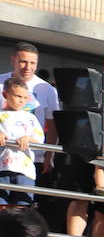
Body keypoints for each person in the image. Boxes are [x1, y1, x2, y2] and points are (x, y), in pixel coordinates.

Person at [0, 43, 59, 176]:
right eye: (23, 62)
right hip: (1, 156)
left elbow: (52, 125)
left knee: (24, 196)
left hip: (32, 158)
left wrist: (50, 155)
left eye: (33, 63)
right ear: (13, 60)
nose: (28, 67)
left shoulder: (48, 89)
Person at [0, 77, 42, 205]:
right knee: (2, 205)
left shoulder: (30, 118)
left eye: (25, 97)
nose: (21, 100)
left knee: (22, 206)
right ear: (5, 94)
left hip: (25, 169)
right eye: (17, 96)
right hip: (2, 167)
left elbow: (39, 139)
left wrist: (28, 138)